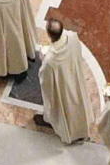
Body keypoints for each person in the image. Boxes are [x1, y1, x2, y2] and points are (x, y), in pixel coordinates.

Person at [41, 15, 106, 144]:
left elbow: (45, 81)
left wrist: (43, 58)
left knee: (66, 110)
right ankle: (82, 128)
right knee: (78, 105)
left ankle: (70, 134)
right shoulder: (72, 38)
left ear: (49, 35)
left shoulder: (50, 60)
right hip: (75, 80)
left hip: (63, 88)